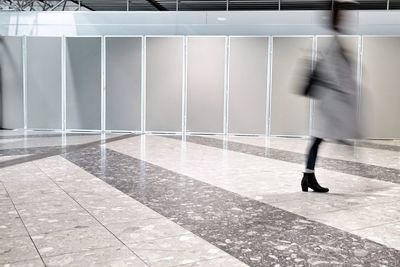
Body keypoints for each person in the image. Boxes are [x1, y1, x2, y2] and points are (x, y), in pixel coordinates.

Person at [301, 0, 359, 193]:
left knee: (317, 139)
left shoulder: (335, 42)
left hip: (329, 102)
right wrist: (346, 90)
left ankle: (307, 177)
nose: (345, 17)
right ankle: (308, 177)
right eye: (341, 13)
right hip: (329, 103)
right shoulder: (334, 44)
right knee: (319, 138)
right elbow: (335, 75)